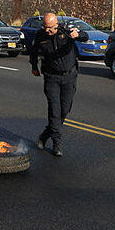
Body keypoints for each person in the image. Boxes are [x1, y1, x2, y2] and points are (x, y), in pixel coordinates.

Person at [29, 12, 88, 156]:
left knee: (64, 110)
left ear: (56, 24)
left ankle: (45, 135)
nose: (48, 31)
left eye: (51, 28)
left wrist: (78, 35)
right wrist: (34, 67)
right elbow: (33, 52)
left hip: (69, 77)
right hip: (51, 78)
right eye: (45, 27)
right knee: (54, 111)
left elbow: (85, 36)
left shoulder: (66, 32)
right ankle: (57, 144)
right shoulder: (40, 35)